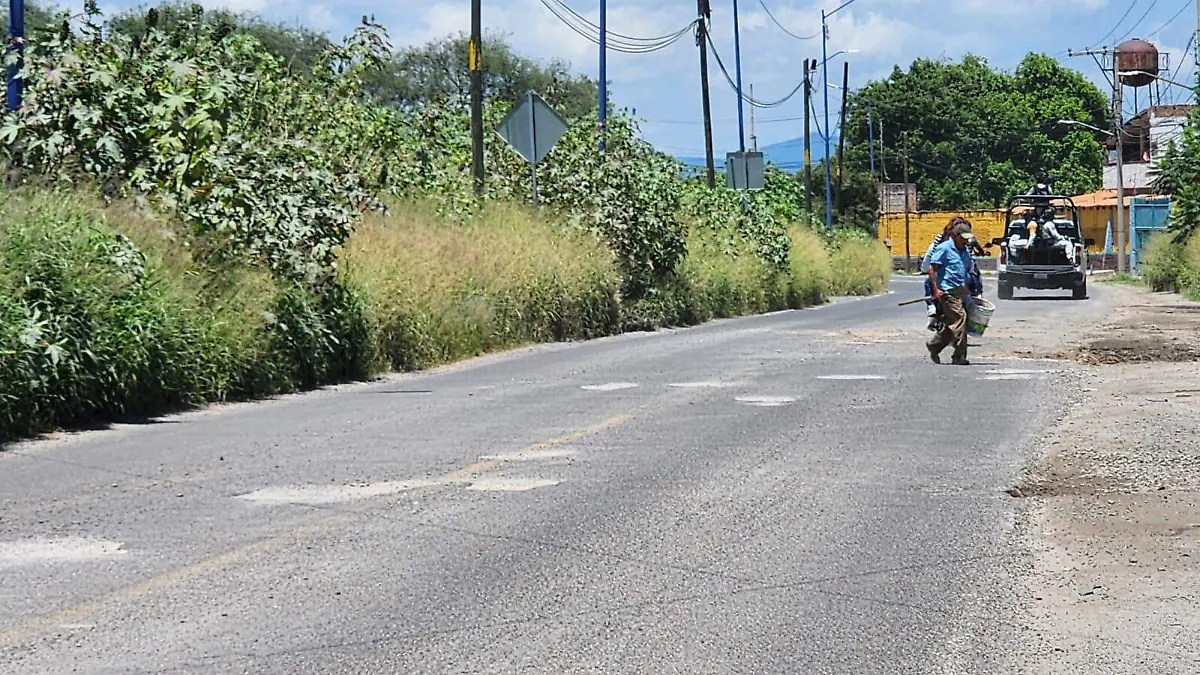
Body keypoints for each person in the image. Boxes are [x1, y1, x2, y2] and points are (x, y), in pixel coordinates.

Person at [925, 220, 975, 365]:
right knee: (960, 317)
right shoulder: (944, 248)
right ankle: (959, 356)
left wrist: (969, 293)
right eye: (963, 238)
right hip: (947, 291)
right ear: (955, 235)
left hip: (961, 290)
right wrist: (936, 290)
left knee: (952, 323)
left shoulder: (965, 251)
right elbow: (931, 269)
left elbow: (965, 272)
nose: (965, 241)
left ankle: (934, 346)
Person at [920, 217, 967, 329]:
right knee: (929, 282)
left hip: (959, 277)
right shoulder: (942, 242)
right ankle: (932, 308)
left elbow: (970, 259)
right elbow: (930, 258)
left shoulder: (965, 242)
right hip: (943, 273)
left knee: (974, 278)